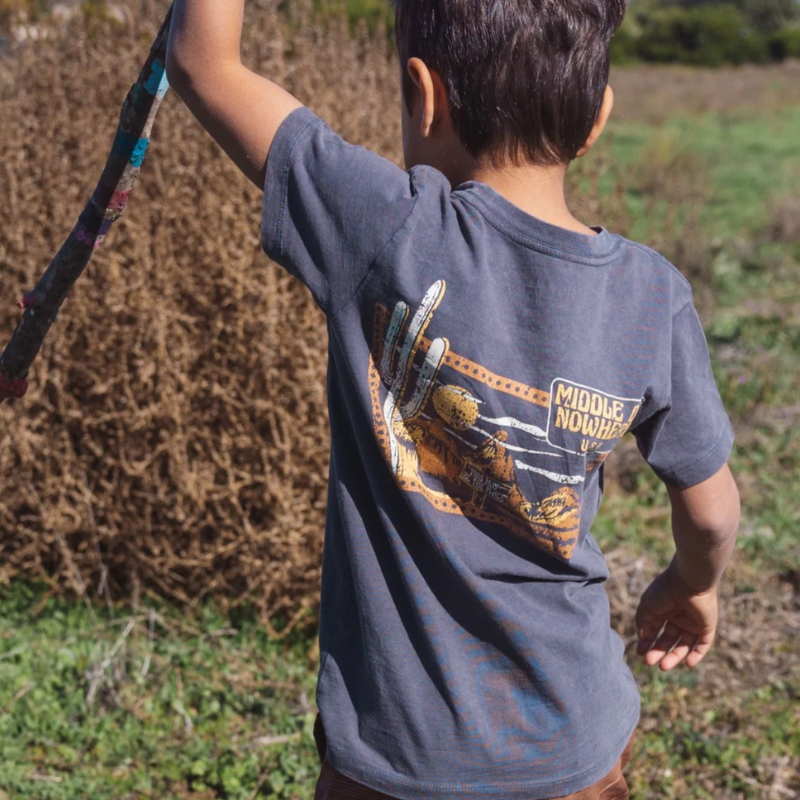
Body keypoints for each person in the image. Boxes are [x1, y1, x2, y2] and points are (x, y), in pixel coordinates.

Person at [165, 1, 741, 797]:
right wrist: (692, 583)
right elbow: (711, 511)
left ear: (422, 94)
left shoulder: (382, 228)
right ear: (598, 118)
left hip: (398, 759)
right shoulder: (653, 295)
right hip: (573, 747)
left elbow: (204, 64)